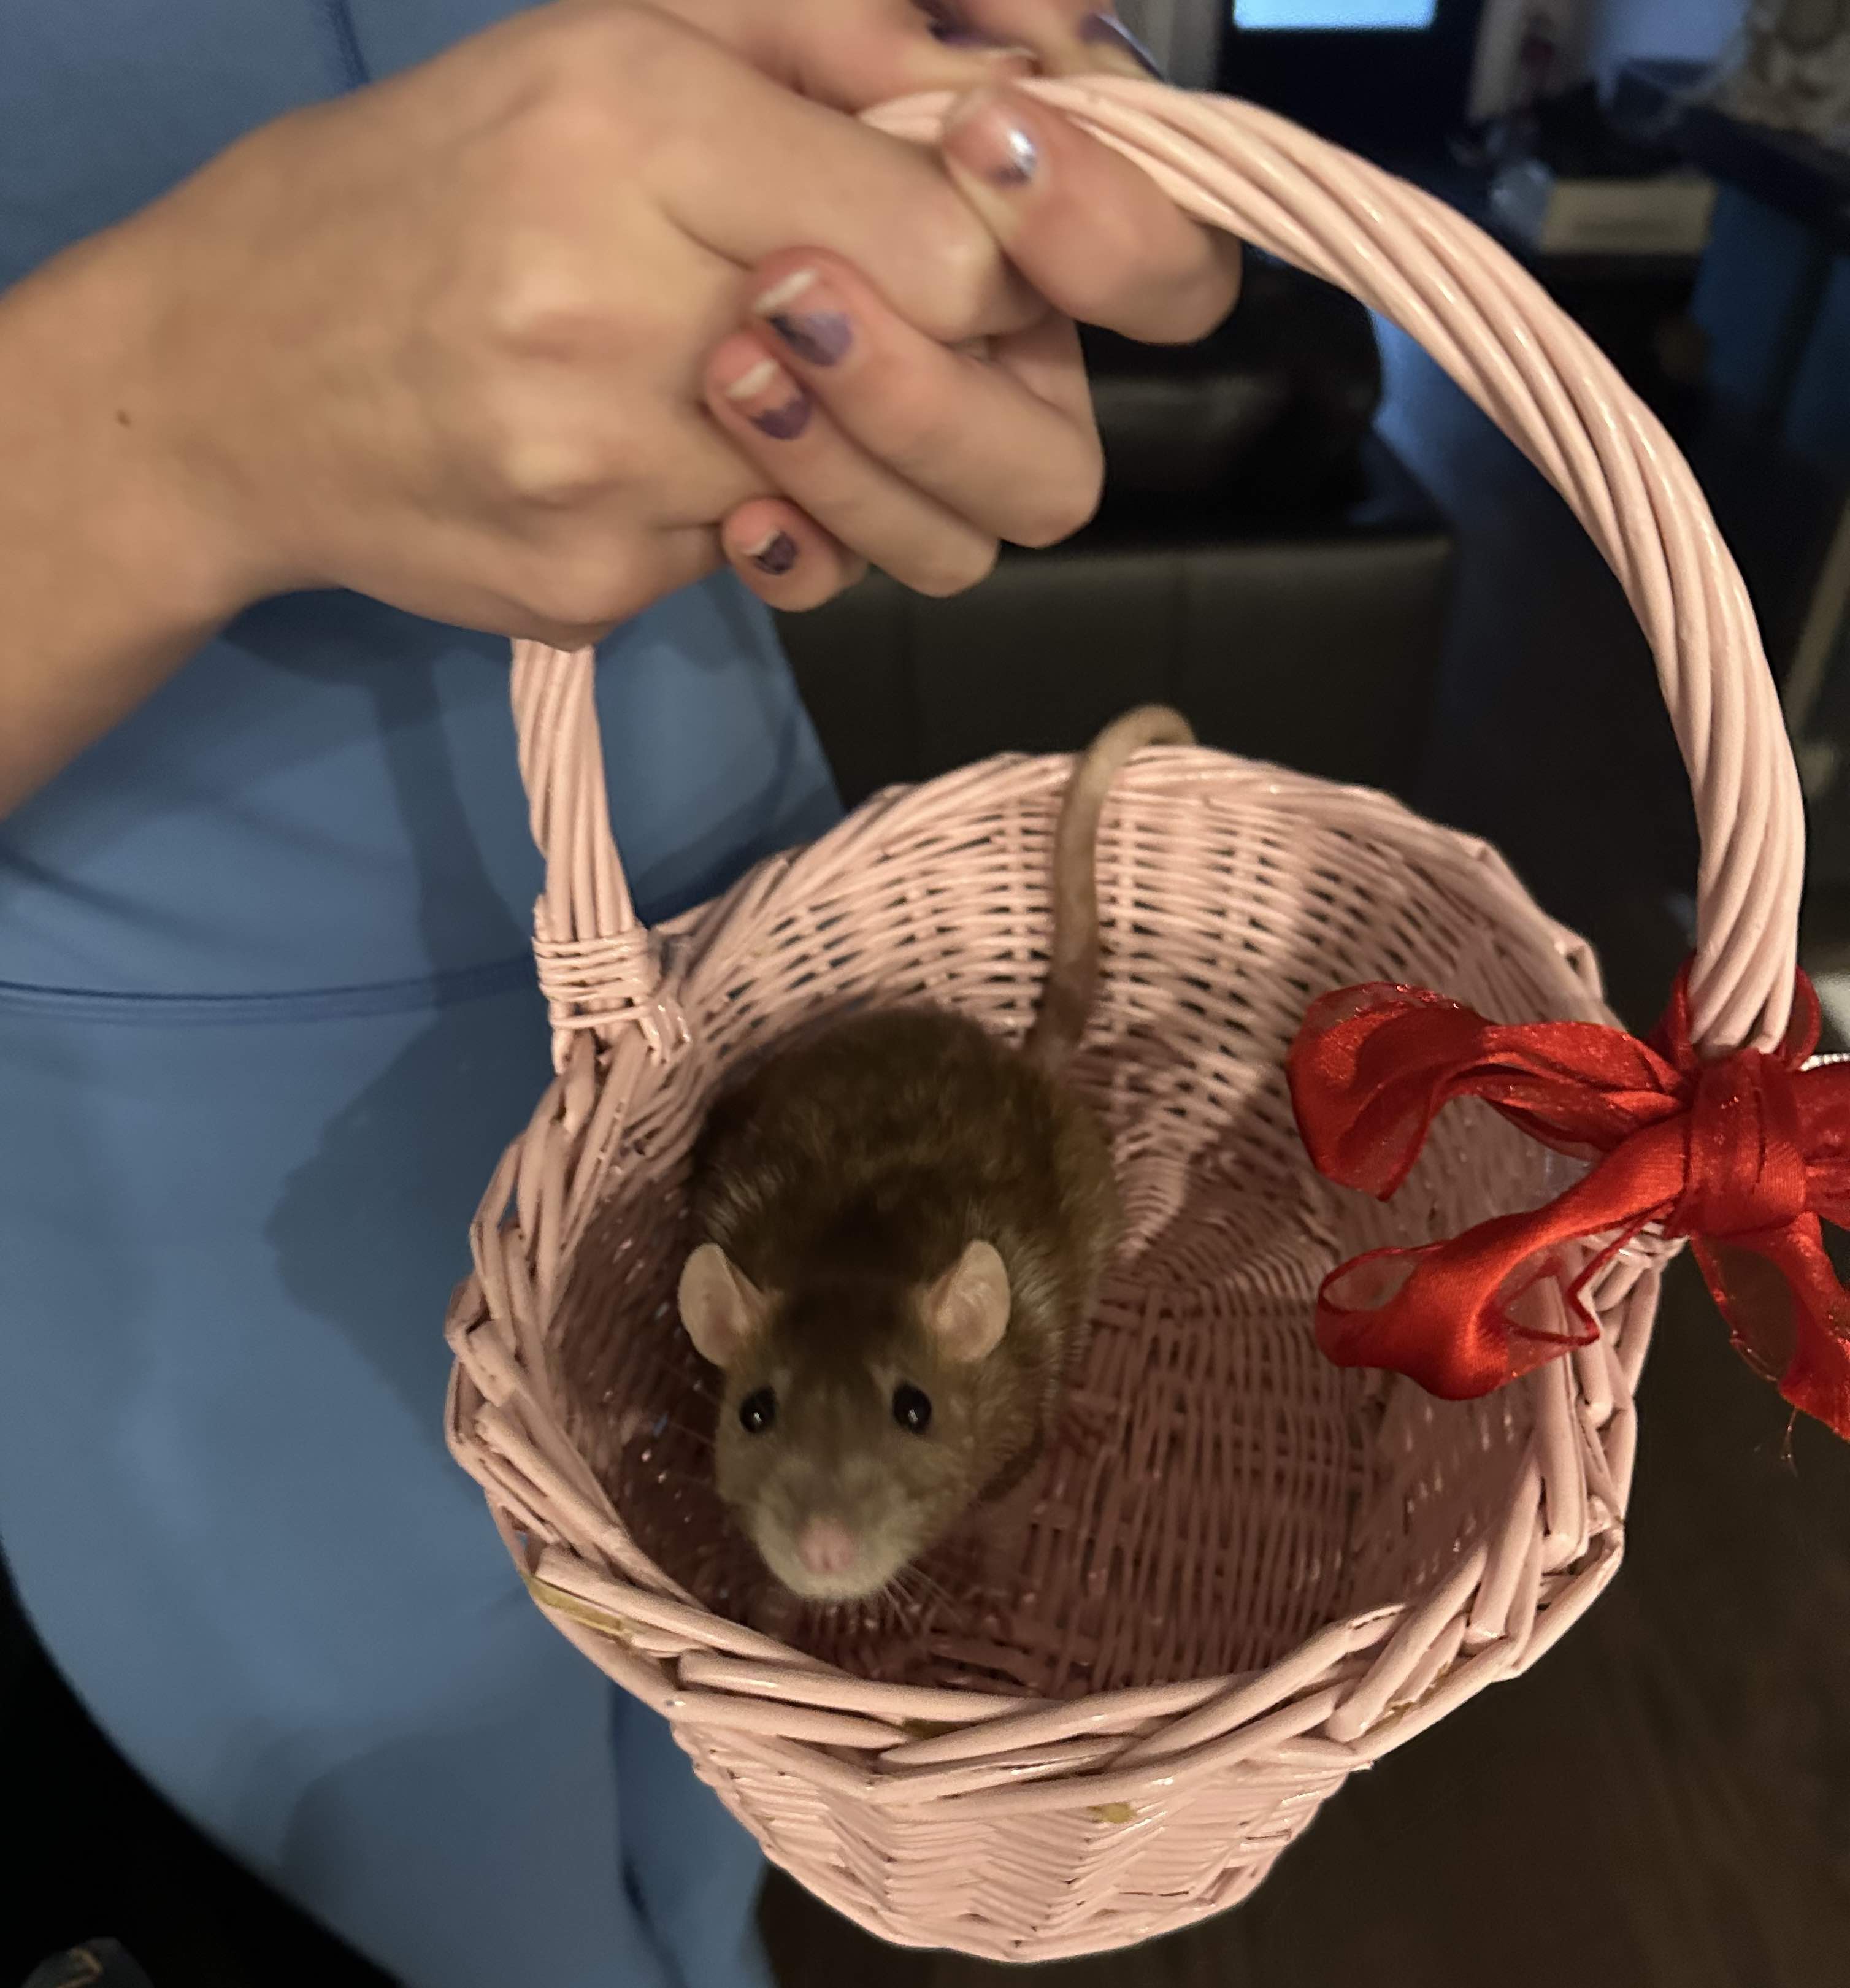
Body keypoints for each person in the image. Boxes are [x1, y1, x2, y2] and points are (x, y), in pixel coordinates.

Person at [0, 6, 1238, 1983]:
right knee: (465, 1886)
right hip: (167, 1096)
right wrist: (174, 403)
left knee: (717, 1782)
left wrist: (1012, 105)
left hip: (730, 910)